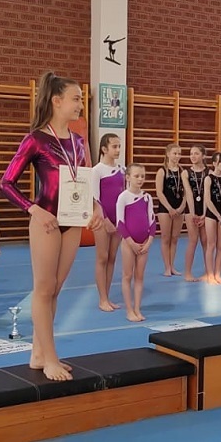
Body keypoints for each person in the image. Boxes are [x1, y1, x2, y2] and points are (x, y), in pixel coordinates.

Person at [0, 72, 104, 381]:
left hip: (72, 221)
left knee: (55, 290)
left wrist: (95, 206)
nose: (80, 105)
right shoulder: (36, 139)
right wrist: (33, 209)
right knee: (44, 290)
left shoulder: (79, 142)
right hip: (46, 220)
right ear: (57, 101)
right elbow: (6, 183)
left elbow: (81, 182)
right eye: (76, 99)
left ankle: (38, 352)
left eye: (81, 100)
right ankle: (50, 358)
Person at [115, 163, 156, 322]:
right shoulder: (123, 197)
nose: (140, 179)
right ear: (128, 177)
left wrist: (149, 241)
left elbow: (152, 221)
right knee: (127, 275)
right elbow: (120, 223)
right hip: (128, 243)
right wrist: (130, 242)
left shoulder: (147, 197)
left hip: (144, 242)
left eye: (142, 176)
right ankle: (129, 310)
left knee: (139, 276)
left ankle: (137, 308)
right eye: (136, 176)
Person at [92, 133, 125, 311]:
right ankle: (102, 299)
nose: (118, 149)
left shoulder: (122, 170)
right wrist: (105, 220)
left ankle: (107, 296)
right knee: (102, 257)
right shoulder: (97, 170)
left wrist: (122, 220)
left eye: (119, 146)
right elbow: (95, 198)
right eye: (114, 146)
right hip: (101, 219)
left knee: (112, 257)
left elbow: (124, 197)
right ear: (104, 149)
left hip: (117, 219)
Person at [155, 144, 190, 276]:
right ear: (168, 154)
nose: (177, 156)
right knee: (165, 237)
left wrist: (182, 207)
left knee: (175, 238)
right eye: (175, 153)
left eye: (179, 153)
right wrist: (169, 208)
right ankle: (167, 267)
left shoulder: (183, 172)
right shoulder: (162, 171)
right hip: (165, 208)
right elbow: (159, 192)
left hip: (179, 207)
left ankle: (172, 265)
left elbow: (187, 192)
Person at [184, 145, 208, 282]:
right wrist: (193, 213)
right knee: (193, 240)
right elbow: (188, 193)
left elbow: (208, 195)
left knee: (206, 241)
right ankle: (188, 273)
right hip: (191, 208)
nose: (193, 156)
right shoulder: (186, 173)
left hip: (205, 207)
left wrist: (204, 213)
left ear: (203, 156)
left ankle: (208, 272)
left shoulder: (209, 172)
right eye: (191, 153)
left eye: (196, 153)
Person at [203, 152, 221, 285]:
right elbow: (208, 200)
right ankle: (210, 274)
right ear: (214, 164)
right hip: (212, 214)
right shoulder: (209, 178)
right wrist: (217, 215)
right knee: (211, 244)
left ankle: (218, 273)